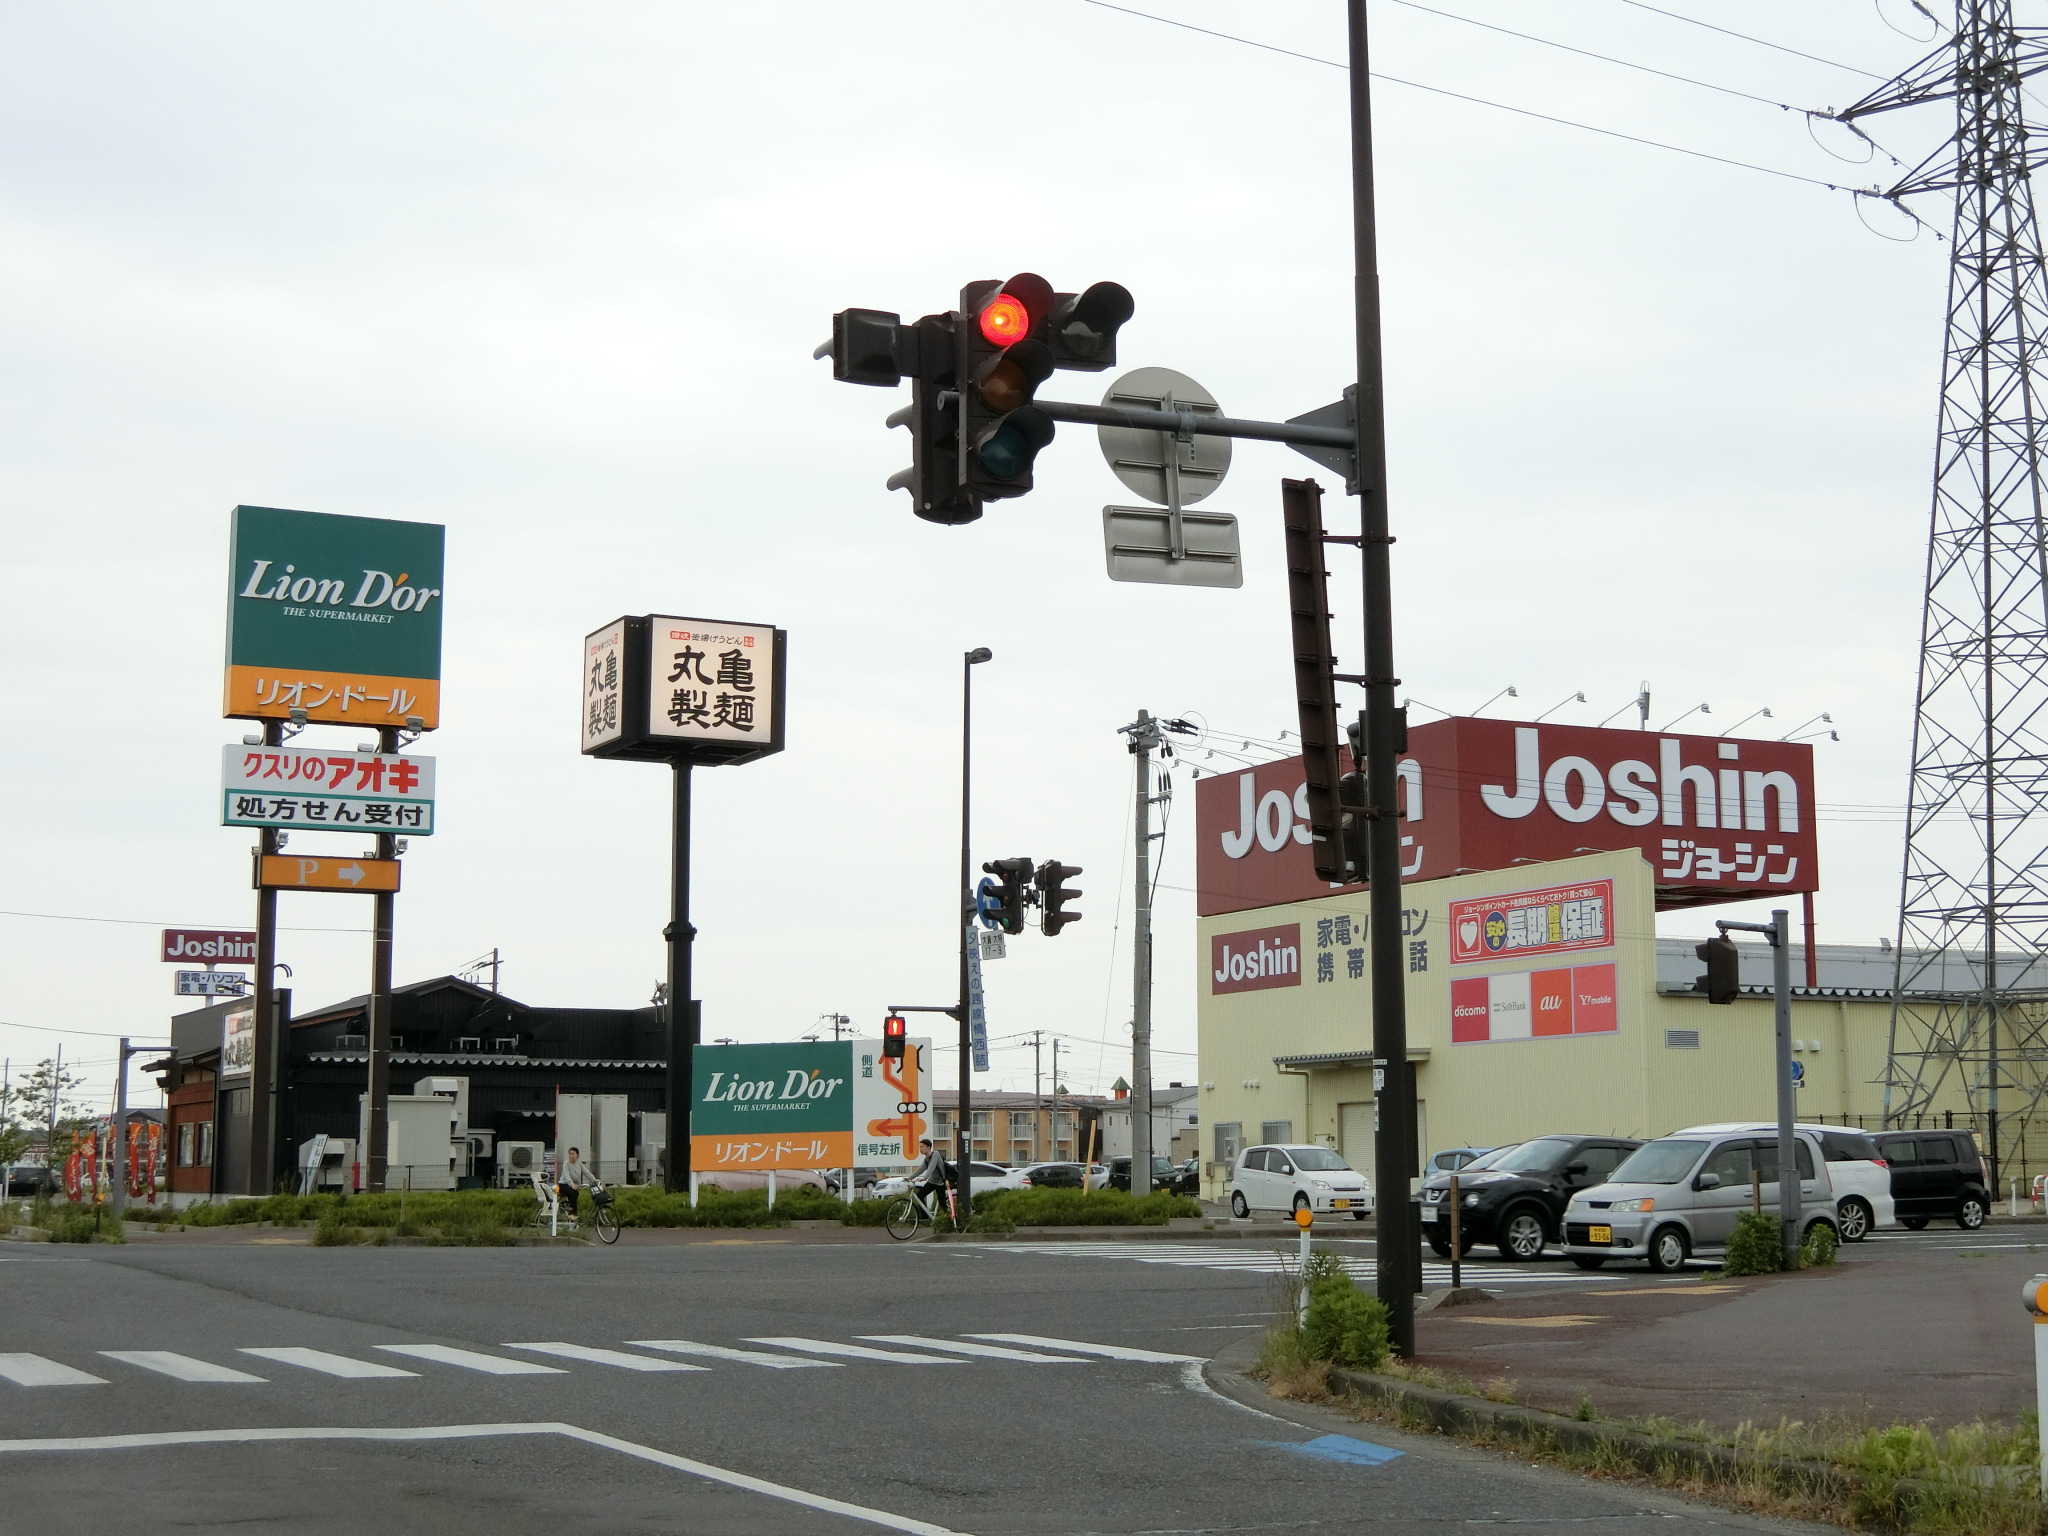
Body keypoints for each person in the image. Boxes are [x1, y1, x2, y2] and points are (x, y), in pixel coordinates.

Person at [909, 1136, 950, 1216]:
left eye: (922, 1147)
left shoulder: (935, 1154)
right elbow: (920, 1169)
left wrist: (924, 1177)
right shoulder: (926, 1159)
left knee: (942, 1204)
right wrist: (909, 1178)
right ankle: (925, 1216)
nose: (921, 1149)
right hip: (932, 1182)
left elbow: (932, 1167)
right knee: (920, 1195)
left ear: (928, 1147)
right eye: (920, 1147)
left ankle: (949, 1220)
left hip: (940, 1183)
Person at [557, 1146, 598, 1225]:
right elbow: (566, 1175)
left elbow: (586, 1172)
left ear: (577, 1155)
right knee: (575, 1193)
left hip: (573, 1186)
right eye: (570, 1154)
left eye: (573, 1154)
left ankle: (573, 1221)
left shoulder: (579, 1163)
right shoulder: (566, 1163)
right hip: (563, 1185)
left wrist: (595, 1181)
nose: (571, 1156)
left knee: (574, 1200)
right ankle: (571, 1212)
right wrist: (571, 1184)